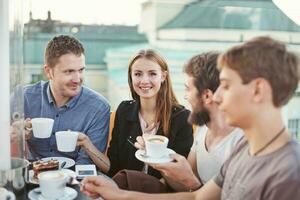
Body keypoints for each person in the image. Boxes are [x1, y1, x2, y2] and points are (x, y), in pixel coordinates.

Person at [80, 36, 300, 200]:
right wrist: (117, 194)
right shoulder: (246, 148)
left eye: (226, 85)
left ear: (258, 90)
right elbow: (197, 196)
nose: (217, 96)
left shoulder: (288, 174)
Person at [131, 52, 242, 192]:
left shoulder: (241, 144)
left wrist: (193, 183)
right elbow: (183, 187)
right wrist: (156, 159)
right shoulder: (203, 130)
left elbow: (192, 185)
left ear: (207, 96)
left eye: (188, 89)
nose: (185, 96)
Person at [23, 35, 110, 164]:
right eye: (69, 71)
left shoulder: (98, 107)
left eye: (81, 70)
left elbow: (85, 164)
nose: (77, 79)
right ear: (49, 71)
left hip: (74, 177)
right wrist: (16, 137)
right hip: (33, 174)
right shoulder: (24, 97)